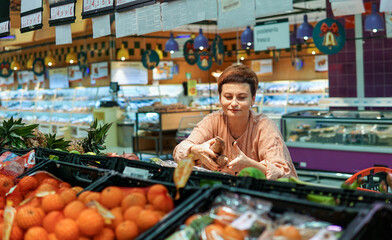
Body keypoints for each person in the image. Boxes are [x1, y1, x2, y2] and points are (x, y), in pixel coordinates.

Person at [173, 64, 297, 180]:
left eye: (241, 97)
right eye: (228, 97)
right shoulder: (212, 121)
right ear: (220, 98)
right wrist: (193, 150)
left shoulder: (264, 126)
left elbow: (283, 172)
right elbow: (179, 151)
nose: (234, 103)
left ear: (252, 99)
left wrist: (251, 165)